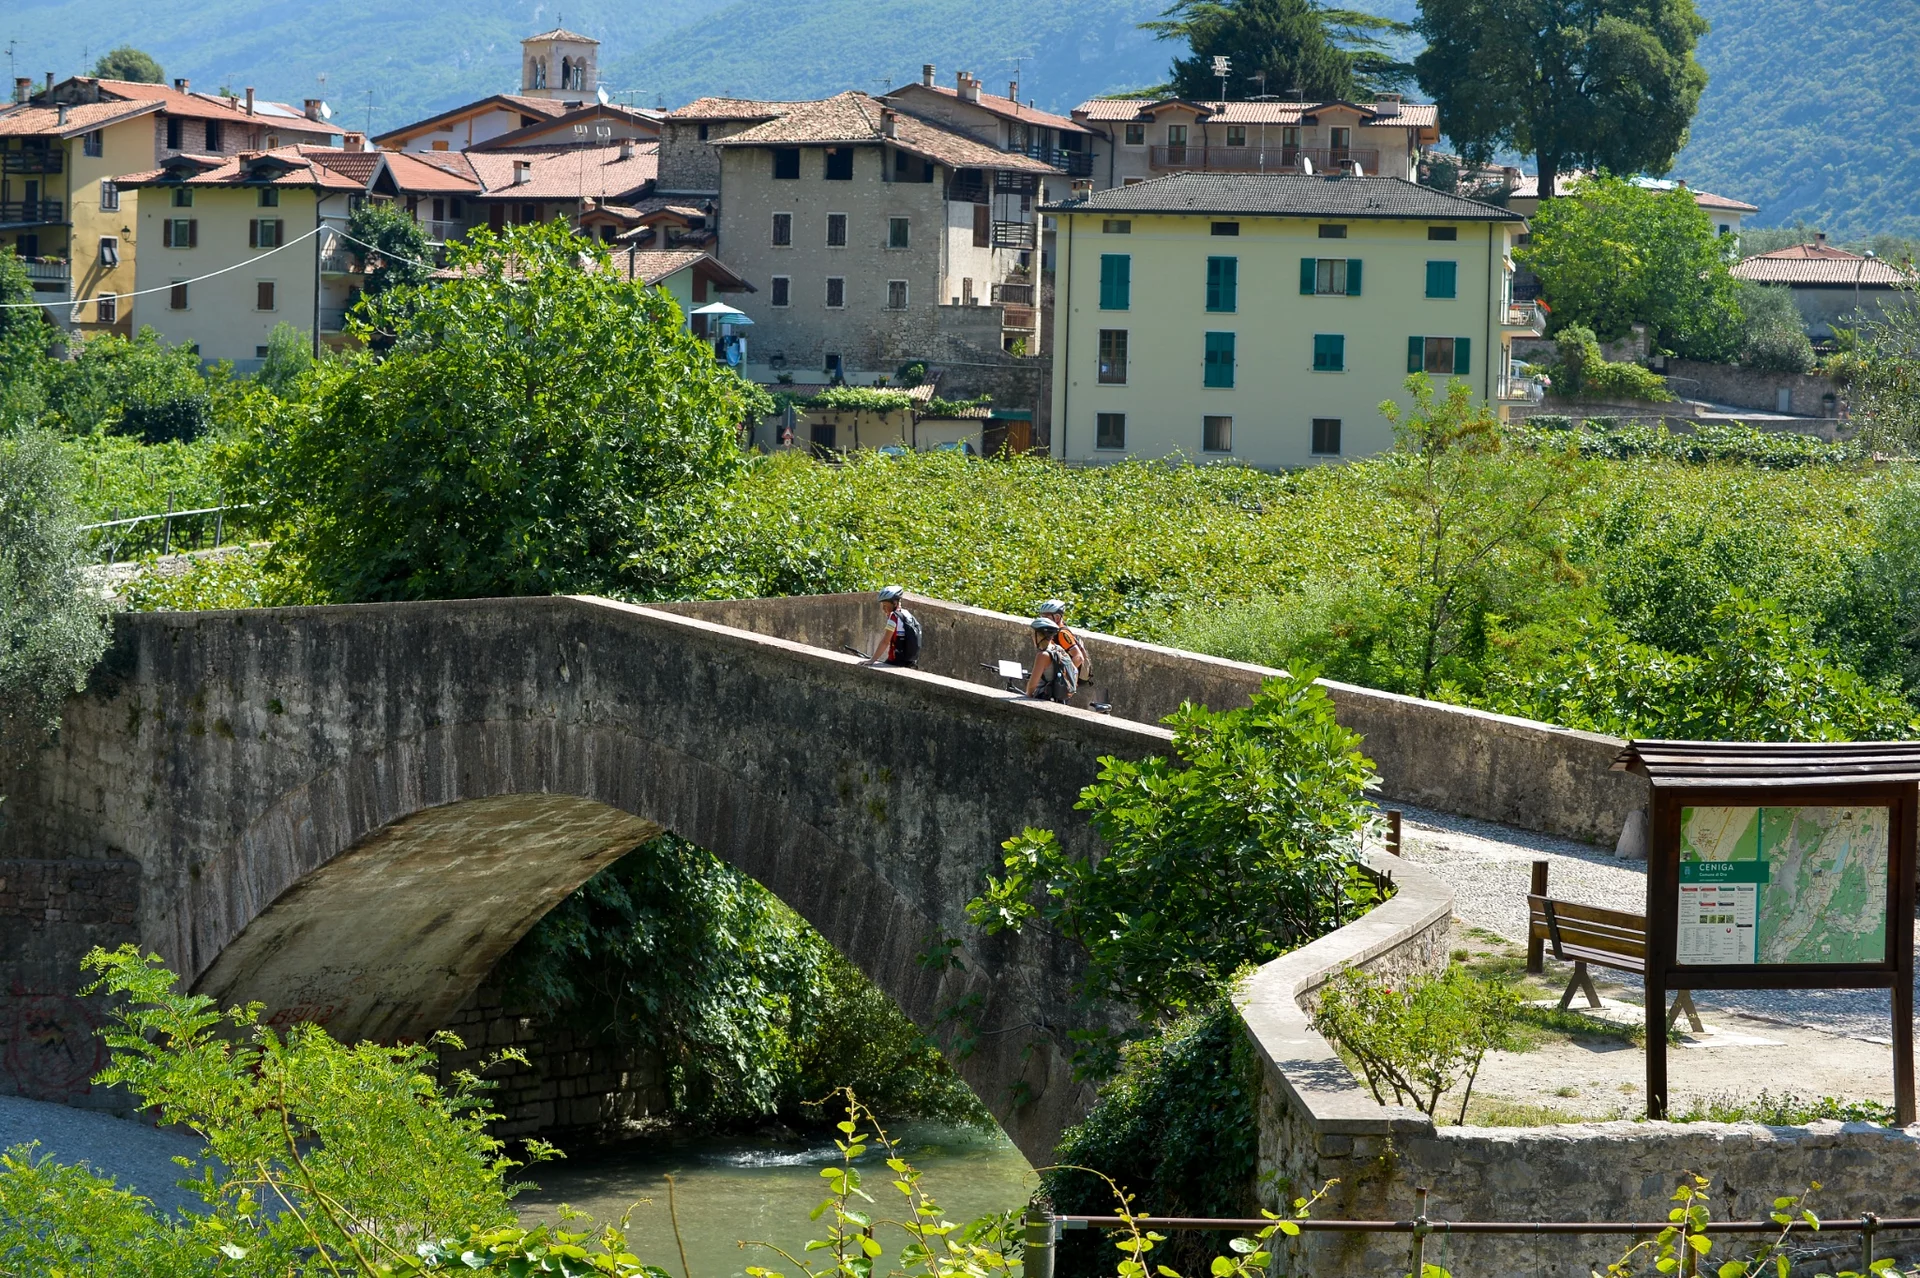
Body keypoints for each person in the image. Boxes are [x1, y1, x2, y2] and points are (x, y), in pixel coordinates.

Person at [1025, 616, 1079, 702]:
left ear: (1039, 636)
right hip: (1058, 699)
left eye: (1033, 634)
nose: (1032, 637)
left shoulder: (1043, 655)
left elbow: (1032, 685)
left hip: (1043, 698)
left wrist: (1027, 696)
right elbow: (1075, 670)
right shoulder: (1058, 649)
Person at [1036, 599, 1091, 680]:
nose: (1042, 619)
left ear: (1057, 617)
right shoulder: (1053, 632)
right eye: (1041, 616)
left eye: (1046, 617)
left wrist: (1063, 676)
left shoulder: (1062, 633)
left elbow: (1078, 657)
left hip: (1065, 680)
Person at [869, 585, 922, 667]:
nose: (883, 609)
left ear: (894, 603)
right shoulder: (906, 613)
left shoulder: (893, 617)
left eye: (885, 605)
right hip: (909, 661)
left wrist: (872, 660)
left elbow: (885, 642)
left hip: (896, 661)